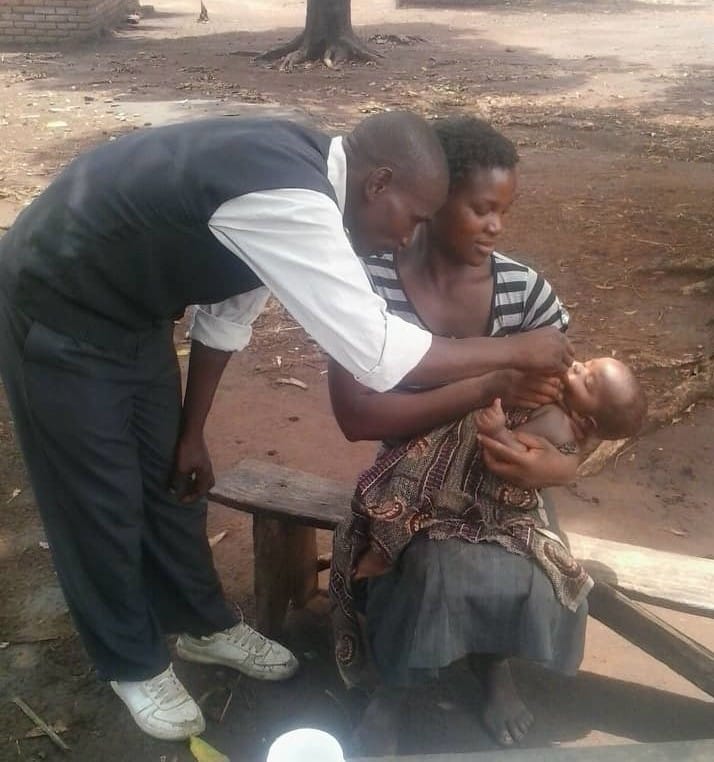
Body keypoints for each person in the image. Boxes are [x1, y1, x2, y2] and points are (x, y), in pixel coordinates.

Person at [0, 111, 574, 741]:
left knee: (170, 478)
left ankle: (203, 624)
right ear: (378, 183)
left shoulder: (304, 191)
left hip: (131, 314)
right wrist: (513, 352)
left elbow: (227, 312)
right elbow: (378, 354)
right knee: (98, 501)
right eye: (412, 219)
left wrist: (192, 432)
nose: (406, 239)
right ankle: (132, 661)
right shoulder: (292, 201)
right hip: (55, 301)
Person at [328, 116, 601, 750]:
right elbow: (357, 416)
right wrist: (489, 383)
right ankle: (392, 688)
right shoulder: (372, 282)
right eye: (480, 208)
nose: (496, 226)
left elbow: (579, 414)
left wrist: (559, 469)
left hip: (505, 472)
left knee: (537, 566)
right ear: (435, 198)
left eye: (504, 210)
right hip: (408, 474)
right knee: (432, 568)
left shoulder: (524, 292)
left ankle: (494, 666)